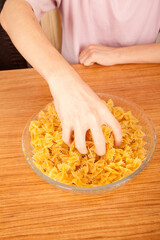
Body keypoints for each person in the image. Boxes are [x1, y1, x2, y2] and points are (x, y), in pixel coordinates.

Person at [1, 0, 160, 156]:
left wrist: (117, 54)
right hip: (71, 81)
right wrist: (63, 79)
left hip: (144, 84)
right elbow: (13, 10)